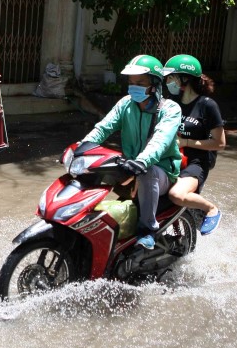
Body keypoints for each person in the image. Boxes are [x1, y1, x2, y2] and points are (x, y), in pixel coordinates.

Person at [81, 55, 182, 250]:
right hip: (130, 165)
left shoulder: (170, 109)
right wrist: (83, 146)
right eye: (131, 82)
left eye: (140, 82)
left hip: (160, 170)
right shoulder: (125, 104)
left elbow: (160, 140)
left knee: (148, 172)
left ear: (154, 84)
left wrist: (143, 161)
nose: (133, 87)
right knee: (90, 169)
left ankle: (147, 230)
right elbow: (103, 128)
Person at [163, 54, 225, 235]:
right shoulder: (171, 102)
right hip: (172, 158)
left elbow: (219, 144)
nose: (168, 81)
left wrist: (186, 141)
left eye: (171, 77)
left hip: (196, 162)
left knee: (177, 195)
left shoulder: (207, 105)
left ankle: (211, 209)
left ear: (185, 78)